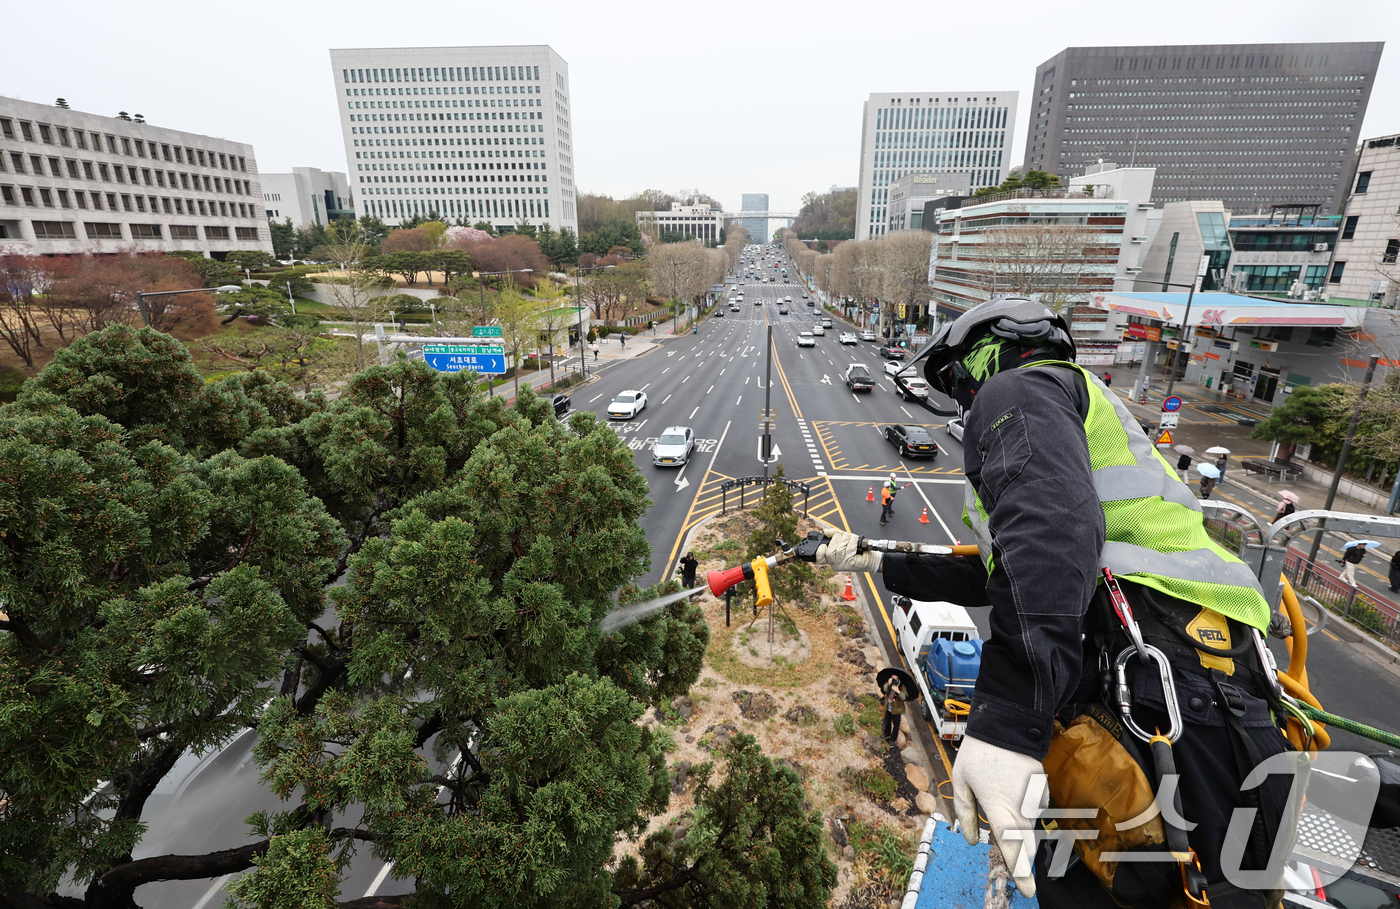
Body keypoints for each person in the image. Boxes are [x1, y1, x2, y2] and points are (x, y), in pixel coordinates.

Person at [810, 297, 1289, 907]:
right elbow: (1004, 570)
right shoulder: (1077, 407)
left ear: (985, 356)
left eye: (960, 384)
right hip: (1198, 690)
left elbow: (1052, 537)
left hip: (1157, 689)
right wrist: (879, 561)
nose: (965, 404)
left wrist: (1008, 723)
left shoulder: (1020, 389)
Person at [881, 676, 907, 743]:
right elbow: (884, 690)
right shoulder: (890, 684)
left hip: (897, 710)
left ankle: (893, 739)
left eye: (895, 679)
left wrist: (898, 691)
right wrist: (888, 684)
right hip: (889, 707)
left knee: (896, 726)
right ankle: (887, 734)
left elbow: (904, 698)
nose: (893, 680)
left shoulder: (902, 687)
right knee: (887, 722)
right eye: (892, 678)